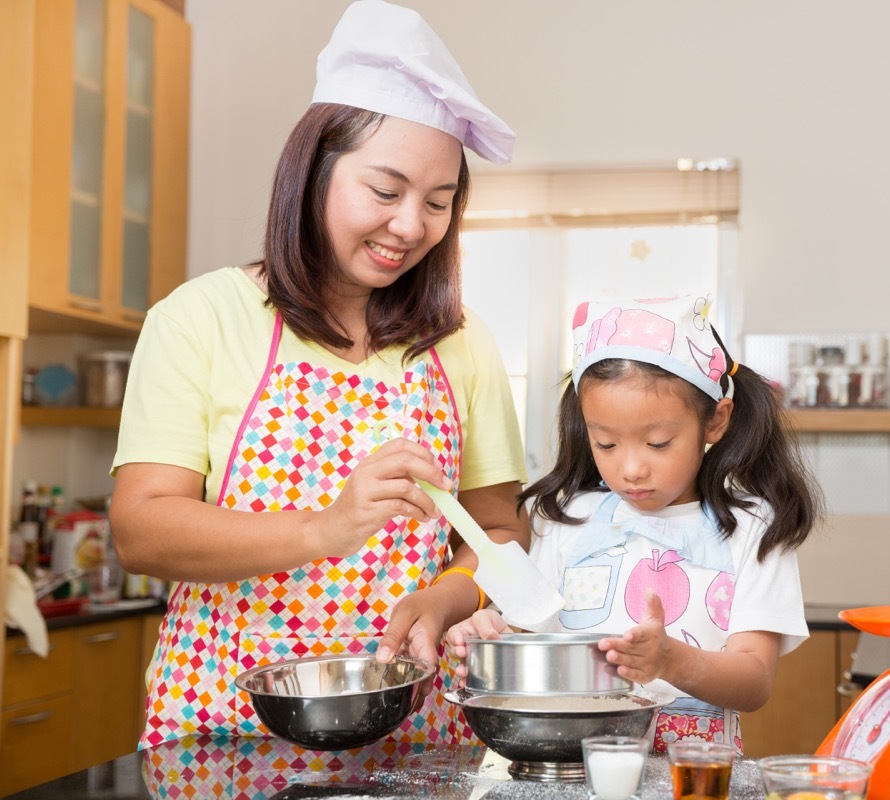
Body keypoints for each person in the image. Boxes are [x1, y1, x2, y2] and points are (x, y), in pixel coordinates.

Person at [108, 0, 527, 749]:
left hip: (416, 730)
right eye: (386, 191)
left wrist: (445, 596)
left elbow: (499, 527)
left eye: (438, 204)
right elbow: (141, 529)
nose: (410, 227)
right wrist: (327, 528)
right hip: (228, 731)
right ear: (313, 172)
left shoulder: (462, 344)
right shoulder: (201, 317)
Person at [447, 294, 822, 752]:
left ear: (716, 421)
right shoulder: (567, 517)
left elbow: (755, 680)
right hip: (572, 768)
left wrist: (670, 659)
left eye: (659, 443)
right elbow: (527, 630)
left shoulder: (754, 528)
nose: (631, 469)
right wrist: (489, 632)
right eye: (605, 444)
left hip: (692, 775)